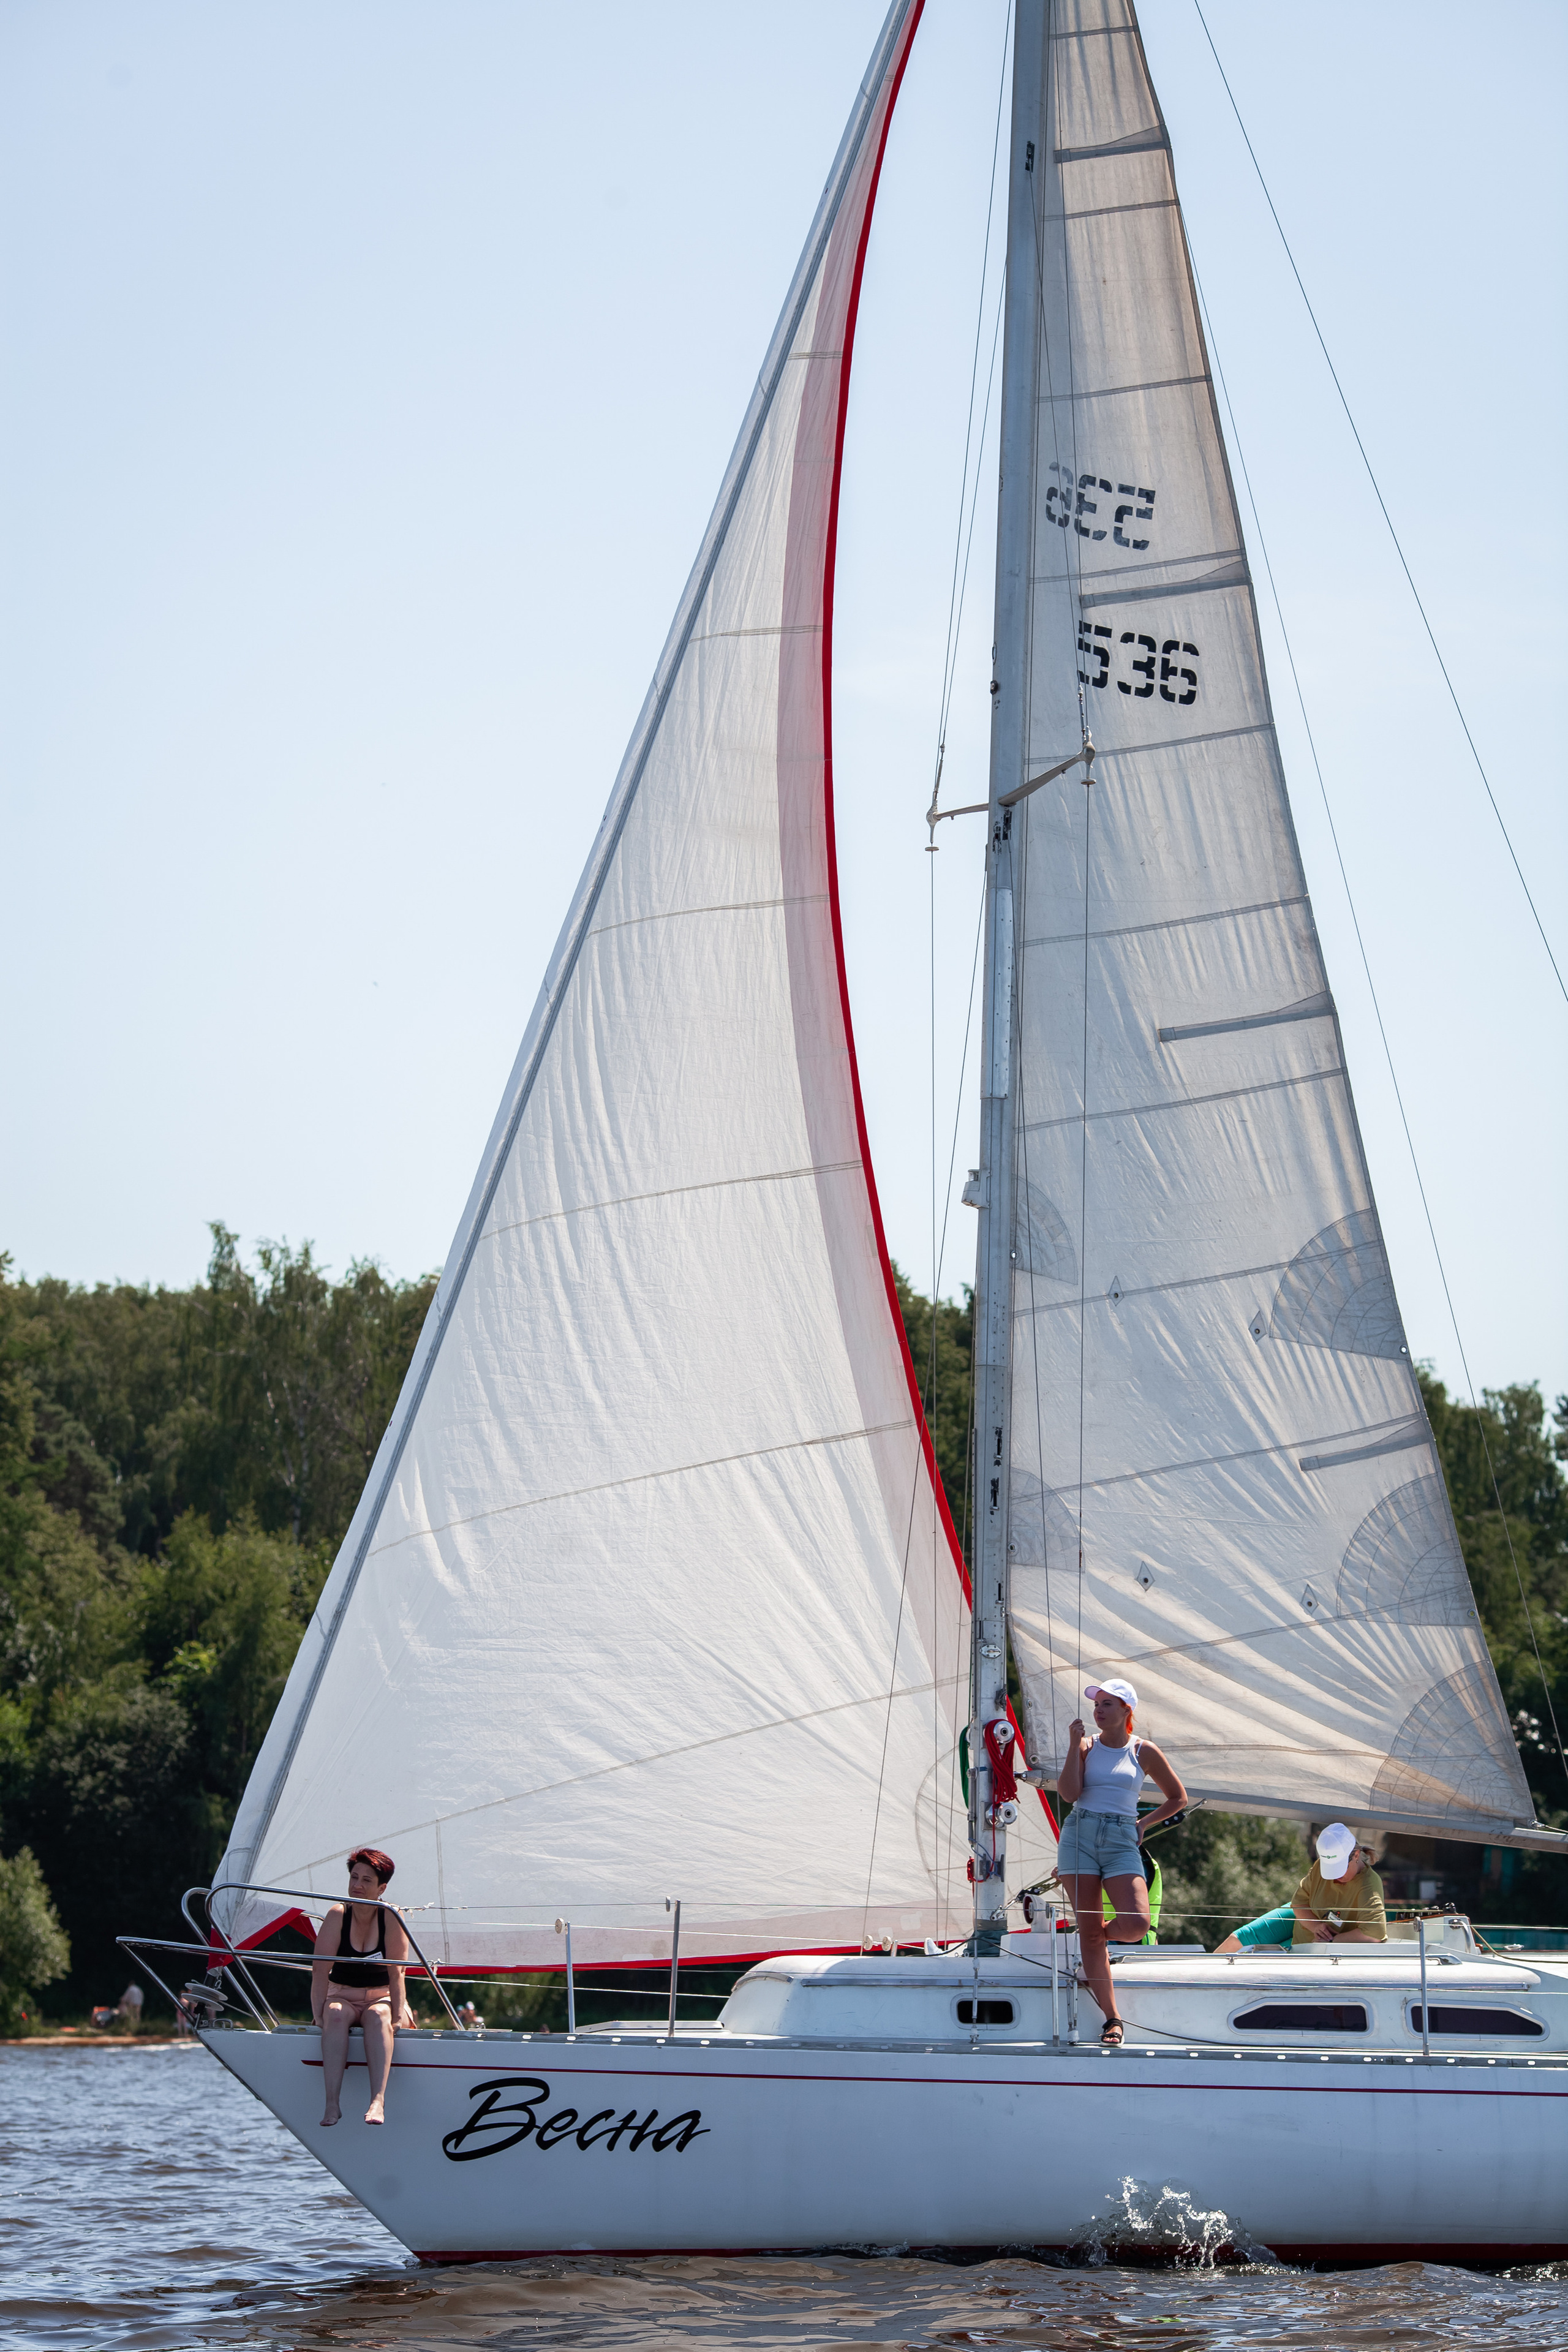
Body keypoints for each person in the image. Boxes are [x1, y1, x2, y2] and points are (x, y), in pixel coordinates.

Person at [1056, 1678, 1187, 2045]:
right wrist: (1072, 1747)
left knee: (1135, 1924)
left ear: (1127, 1710)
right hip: (1079, 1834)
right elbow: (1069, 1794)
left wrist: (1143, 1825)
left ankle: (1093, 1944)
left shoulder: (1143, 1750)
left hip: (1121, 1837)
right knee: (1092, 1931)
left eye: (1108, 1704)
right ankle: (1112, 2019)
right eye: (1097, 1704)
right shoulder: (1085, 1745)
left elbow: (1178, 1798)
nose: (1098, 1709)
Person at [311, 1847, 412, 2127]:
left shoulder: (391, 1916)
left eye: (367, 1880)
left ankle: (378, 2101)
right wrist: (318, 2015)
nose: (357, 1885)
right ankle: (332, 2103)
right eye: (354, 1877)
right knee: (334, 2012)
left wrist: (396, 2017)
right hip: (342, 1994)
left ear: (382, 1888)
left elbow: (398, 1973)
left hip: (383, 1997)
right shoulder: (337, 1914)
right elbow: (320, 1970)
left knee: (378, 2017)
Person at [1289, 1822, 1385, 1945]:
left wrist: (1331, 1941)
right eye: (1329, 1868)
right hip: (1299, 1953)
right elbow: (1299, 1904)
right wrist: (1316, 1927)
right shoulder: (1318, 1867)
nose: (1335, 1876)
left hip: (1335, 1960)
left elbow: (1375, 1933)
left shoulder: (1369, 1885)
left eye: (1339, 1868)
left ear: (1356, 1855)